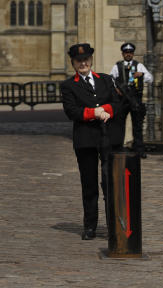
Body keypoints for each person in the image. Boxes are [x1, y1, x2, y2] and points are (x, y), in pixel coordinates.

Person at [60, 43, 116, 241]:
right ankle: (90, 225)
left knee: (109, 182)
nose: (83, 63)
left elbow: (118, 103)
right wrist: (94, 112)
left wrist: (105, 110)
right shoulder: (68, 85)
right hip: (85, 139)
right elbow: (71, 111)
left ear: (91, 60)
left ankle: (113, 225)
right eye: (78, 61)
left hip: (107, 137)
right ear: (73, 63)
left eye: (85, 59)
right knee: (89, 184)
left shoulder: (106, 80)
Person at [108, 42, 153, 157]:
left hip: (135, 99)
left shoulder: (139, 66)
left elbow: (150, 78)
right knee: (119, 124)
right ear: (122, 54)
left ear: (133, 54)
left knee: (137, 125)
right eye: (126, 52)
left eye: (130, 52)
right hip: (122, 99)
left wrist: (141, 74)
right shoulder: (117, 66)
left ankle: (139, 149)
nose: (128, 54)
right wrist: (116, 90)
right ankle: (118, 146)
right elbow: (110, 80)